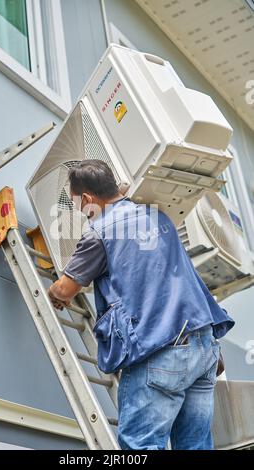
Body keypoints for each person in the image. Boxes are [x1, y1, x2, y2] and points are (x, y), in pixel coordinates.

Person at [47, 159, 234, 450]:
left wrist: (55, 294)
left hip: (161, 352)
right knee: (195, 446)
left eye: (78, 205)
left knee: (140, 446)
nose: (81, 213)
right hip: (204, 346)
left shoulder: (100, 231)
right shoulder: (157, 217)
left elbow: (65, 287)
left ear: (86, 199)